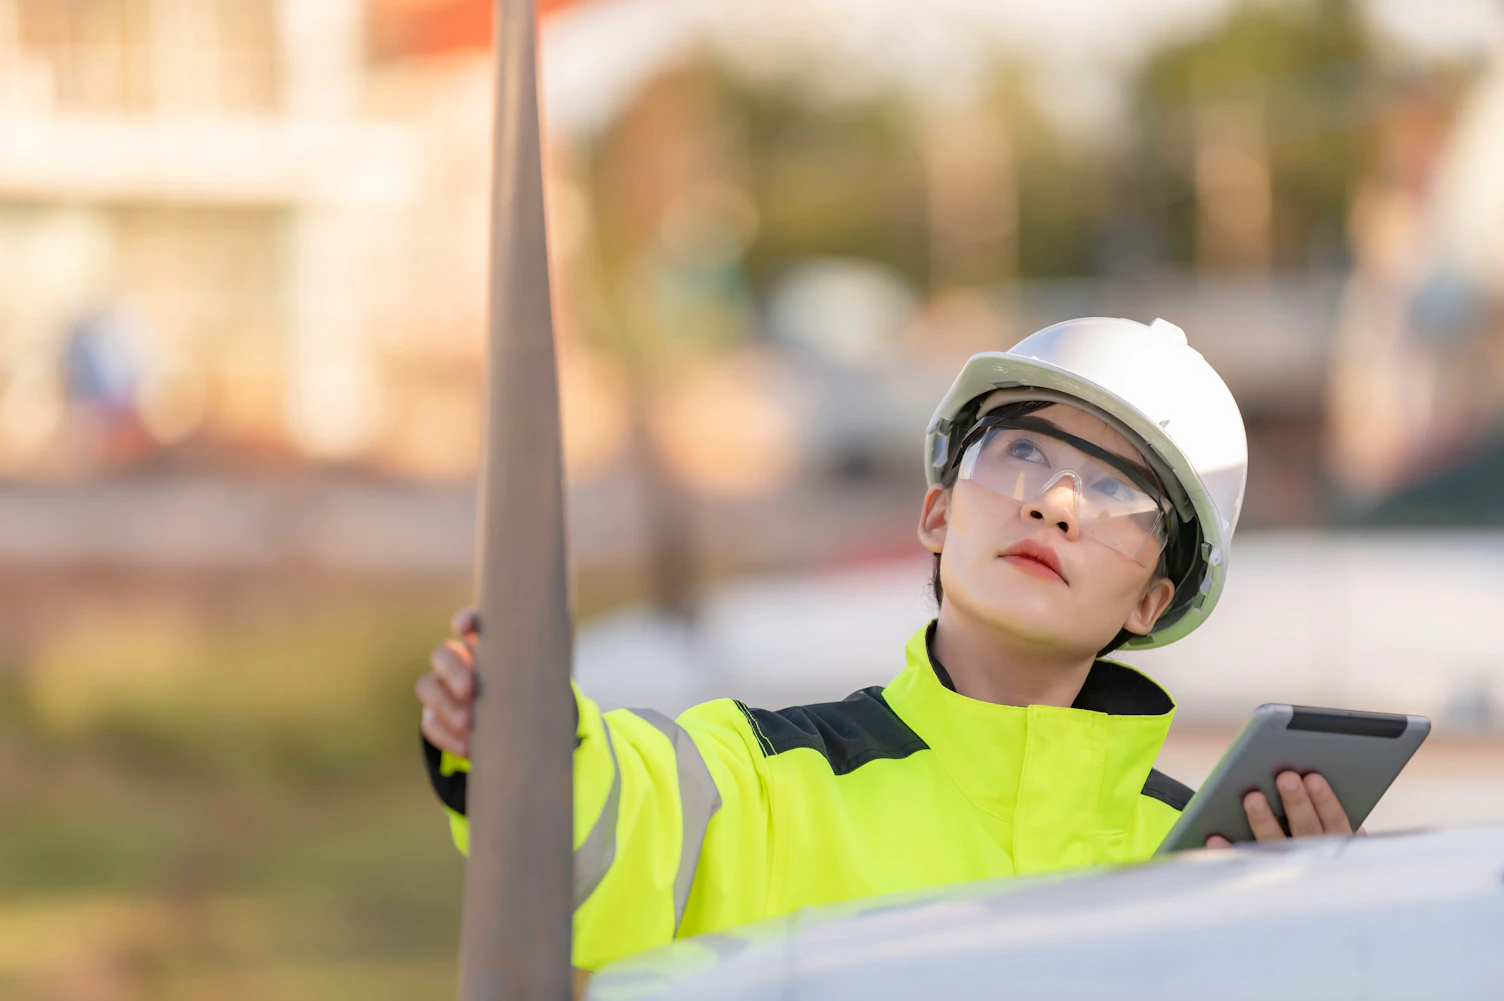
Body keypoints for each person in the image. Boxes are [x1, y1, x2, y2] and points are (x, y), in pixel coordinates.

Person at [415, 317, 1357, 972]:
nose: (1055, 502)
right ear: (938, 512)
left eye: (1119, 492)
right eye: (1022, 452)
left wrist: (1328, 934)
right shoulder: (767, 781)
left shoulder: (1202, 862)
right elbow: (618, 818)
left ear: (1156, 597)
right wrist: (525, 740)